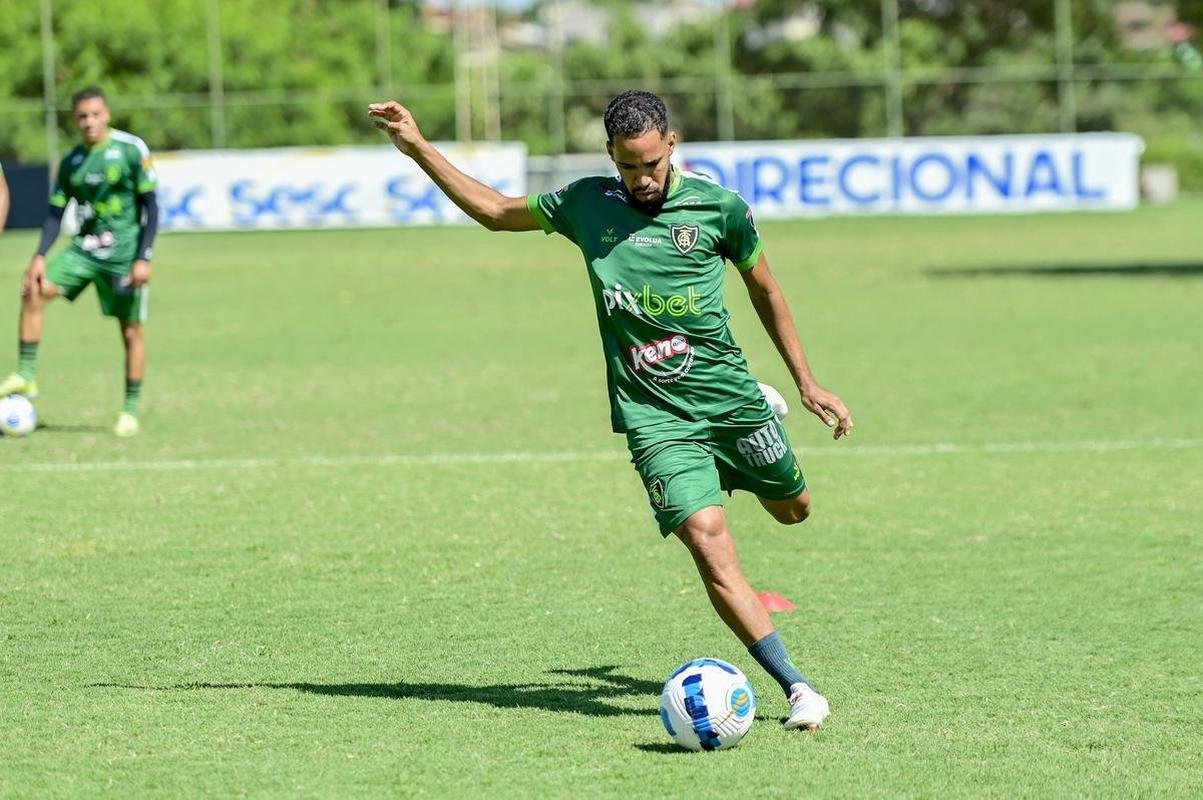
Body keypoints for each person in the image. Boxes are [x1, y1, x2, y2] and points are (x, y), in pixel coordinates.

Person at [369, 90, 853, 731]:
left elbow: (765, 287)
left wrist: (807, 382)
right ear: (610, 155)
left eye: (651, 164)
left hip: (730, 397)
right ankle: (797, 688)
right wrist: (418, 146)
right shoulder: (586, 204)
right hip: (654, 415)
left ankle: (757, 421)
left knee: (795, 512)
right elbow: (494, 211)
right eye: (629, 167)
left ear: (671, 145)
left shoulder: (718, 208)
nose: (643, 179)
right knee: (709, 544)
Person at [0, 87, 159, 437]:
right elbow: (56, 215)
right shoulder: (71, 161)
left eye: (95, 114)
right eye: (82, 117)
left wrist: (143, 258)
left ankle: (130, 410)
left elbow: (151, 206)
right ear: (75, 120)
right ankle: (27, 375)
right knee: (33, 289)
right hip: (84, 251)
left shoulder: (131, 150)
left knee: (130, 330)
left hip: (123, 257)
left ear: (107, 114)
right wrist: (39, 256)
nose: (89, 122)